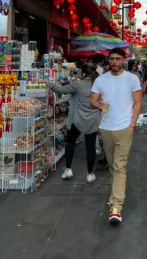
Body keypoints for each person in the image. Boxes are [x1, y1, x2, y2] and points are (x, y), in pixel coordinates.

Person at [90, 48, 142, 225]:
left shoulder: (132, 79)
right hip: (105, 128)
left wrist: (132, 124)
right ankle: (115, 195)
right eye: (111, 59)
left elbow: (137, 103)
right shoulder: (100, 79)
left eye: (117, 59)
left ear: (123, 61)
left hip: (124, 128)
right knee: (112, 166)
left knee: (120, 166)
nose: (114, 62)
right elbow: (92, 100)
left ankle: (116, 207)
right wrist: (98, 104)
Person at [48, 63, 101, 183]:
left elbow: (59, 89)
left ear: (82, 73)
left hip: (77, 119)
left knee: (70, 142)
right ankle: (90, 174)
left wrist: (48, 83)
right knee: (90, 146)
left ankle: (68, 169)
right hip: (93, 119)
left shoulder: (77, 85)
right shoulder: (98, 84)